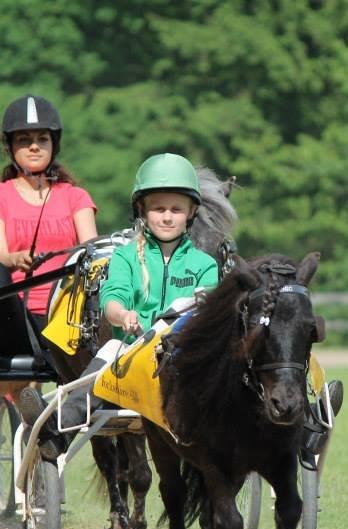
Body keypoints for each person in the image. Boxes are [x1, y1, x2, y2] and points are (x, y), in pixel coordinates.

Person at [18, 153, 219, 460]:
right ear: (142, 210)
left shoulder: (205, 265)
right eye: (158, 208)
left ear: (191, 212)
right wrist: (122, 314)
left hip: (183, 358)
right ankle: (58, 427)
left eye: (176, 209)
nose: (167, 217)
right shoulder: (125, 257)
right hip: (132, 352)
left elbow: (207, 309)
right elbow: (112, 300)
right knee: (109, 351)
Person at [0, 94, 97, 361]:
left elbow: (93, 252)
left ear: (54, 144)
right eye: (24, 140)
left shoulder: (76, 197)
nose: (34, 147)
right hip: (15, 322)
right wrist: (16, 258)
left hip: (67, 318)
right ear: (11, 147)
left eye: (42, 139)